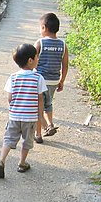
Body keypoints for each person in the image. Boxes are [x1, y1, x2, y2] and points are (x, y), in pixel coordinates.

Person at [0, 44, 47, 179]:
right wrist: (41, 117)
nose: (38, 59)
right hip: (29, 118)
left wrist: (15, 107)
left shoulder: (13, 77)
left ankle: (1, 161)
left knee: (9, 139)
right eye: (37, 57)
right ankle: (22, 163)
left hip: (14, 116)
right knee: (26, 142)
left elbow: (10, 98)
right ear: (30, 60)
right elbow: (40, 99)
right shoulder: (38, 78)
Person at [33, 12, 69, 144]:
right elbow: (65, 65)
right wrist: (62, 81)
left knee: (37, 106)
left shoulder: (40, 43)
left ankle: (39, 133)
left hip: (40, 80)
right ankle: (50, 123)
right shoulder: (63, 45)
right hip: (54, 80)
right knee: (48, 104)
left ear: (44, 28)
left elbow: (31, 61)